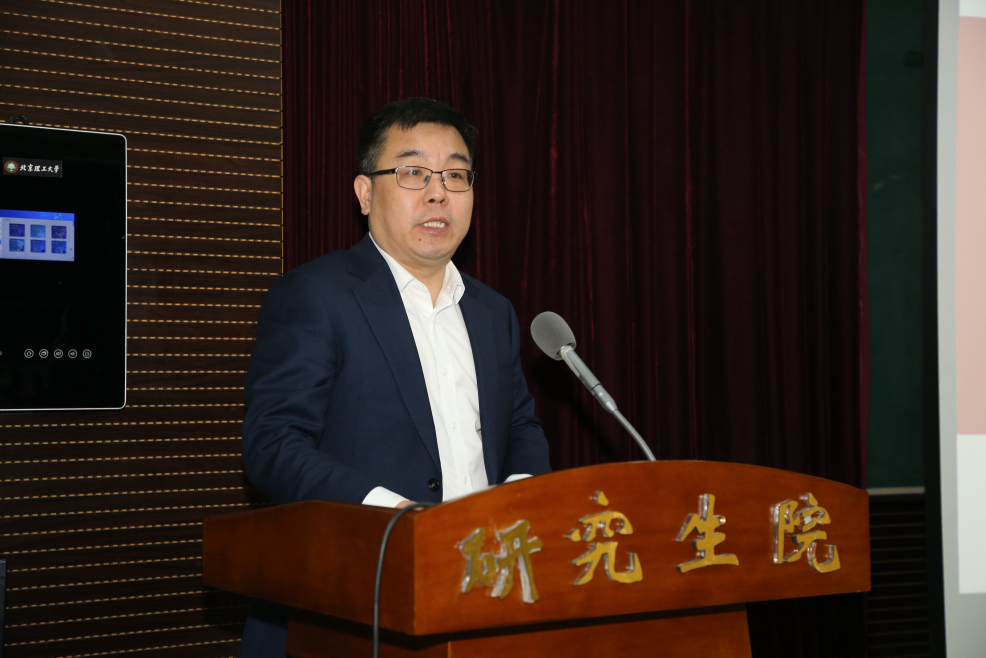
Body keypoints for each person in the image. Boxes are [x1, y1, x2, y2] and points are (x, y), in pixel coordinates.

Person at [237, 97, 552, 656]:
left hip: (481, 590)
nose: (438, 193)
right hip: (352, 601)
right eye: (413, 173)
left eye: (455, 175)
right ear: (364, 193)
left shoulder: (492, 311)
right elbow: (274, 445)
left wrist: (519, 500)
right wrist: (397, 519)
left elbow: (520, 426)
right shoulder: (317, 295)